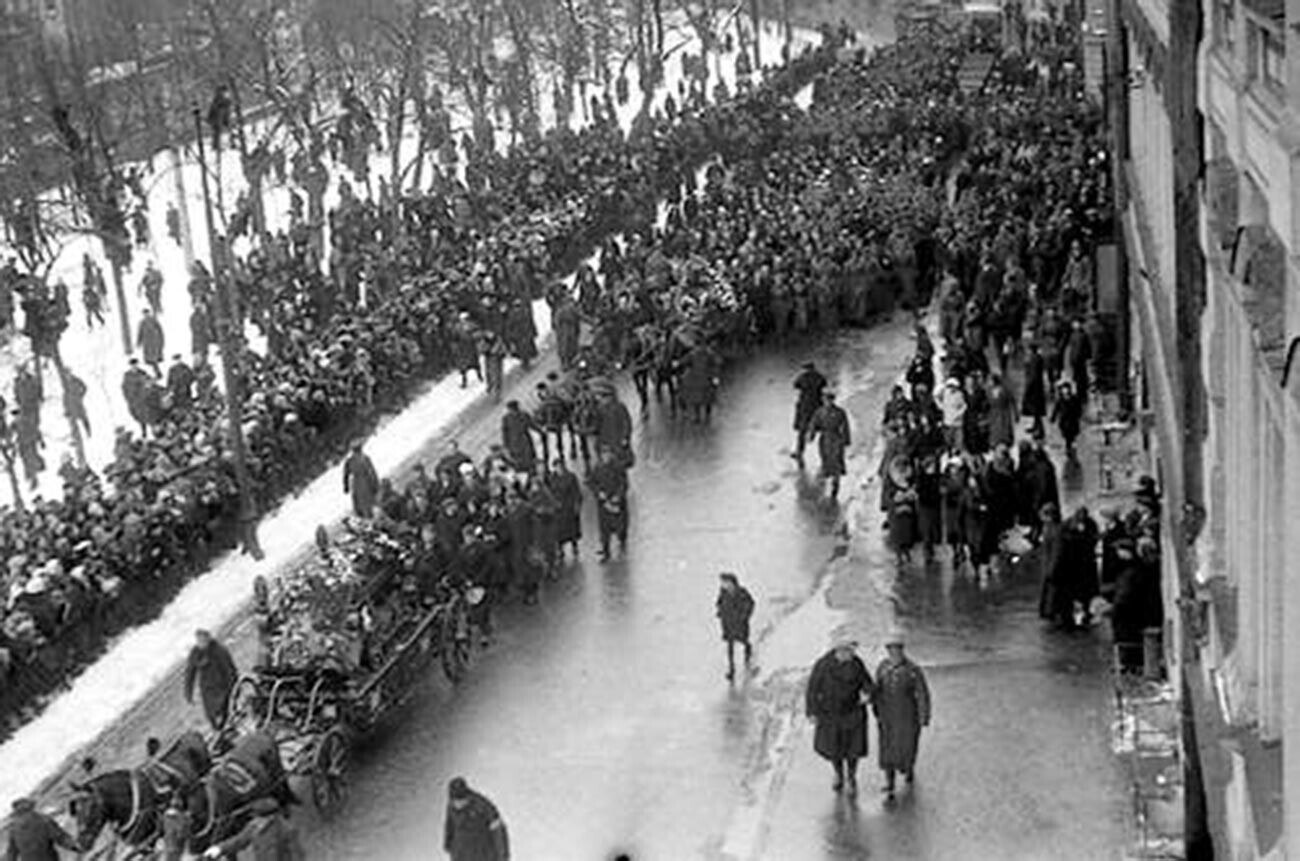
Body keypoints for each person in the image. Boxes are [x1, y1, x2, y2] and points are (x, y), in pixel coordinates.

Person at [805, 635, 874, 796]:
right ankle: (838, 774)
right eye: (848, 650)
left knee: (853, 750)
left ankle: (851, 777)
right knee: (834, 749)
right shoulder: (823, 665)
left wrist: (867, 693)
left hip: (853, 713)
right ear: (839, 650)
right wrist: (812, 711)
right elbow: (812, 689)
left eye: (852, 651)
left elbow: (868, 682)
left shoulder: (857, 664)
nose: (851, 654)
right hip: (831, 715)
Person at [872, 631, 931, 796]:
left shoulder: (913, 670)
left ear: (902, 650)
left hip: (907, 717)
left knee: (907, 746)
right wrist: (874, 706)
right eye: (891, 649)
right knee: (887, 749)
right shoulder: (882, 668)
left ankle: (908, 768)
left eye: (897, 649)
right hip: (888, 717)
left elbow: (922, 693)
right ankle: (889, 783)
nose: (894, 653)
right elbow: (877, 689)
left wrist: (923, 716)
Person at [201, 797, 305, 860]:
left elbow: (297, 855)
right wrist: (219, 848)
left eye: (257, 816)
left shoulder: (287, 829)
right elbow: (238, 841)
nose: (255, 819)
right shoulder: (254, 827)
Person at [443, 777, 509, 861]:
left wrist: (502, 856)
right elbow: (450, 824)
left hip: (482, 854)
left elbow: (498, 832)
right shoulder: (451, 806)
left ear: (467, 796)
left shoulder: (484, 807)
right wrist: (448, 842)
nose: (458, 804)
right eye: (455, 801)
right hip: (460, 854)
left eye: (461, 800)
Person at [184, 628, 238, 731]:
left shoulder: (219, 650)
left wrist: (233, 687)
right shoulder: (195, 653)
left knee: (224, 711)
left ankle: (227, 727)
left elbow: (229, 669)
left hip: (222, 686)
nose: (201, 642)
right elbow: (190, 673)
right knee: (211, 714)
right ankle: (217, 730)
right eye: (199, 639)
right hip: (207, 689)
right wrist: (188, 693)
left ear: (208, 637)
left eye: (203, 639)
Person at [809, 390, 851, 501]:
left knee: (836, 461)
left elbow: (845, 426)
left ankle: (835, 484)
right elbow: (814, 424)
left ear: (833, 400)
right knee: (825, 459)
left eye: (829, 400)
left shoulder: (840, 412)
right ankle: (827, 475)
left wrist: (846, 440)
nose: (827, 402)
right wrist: (811, 435)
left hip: (836, 439)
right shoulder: (819, 412)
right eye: (825, 400)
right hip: (824, 439)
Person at [6, 797, 77, 860]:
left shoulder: (14, 829)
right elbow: (61, 838)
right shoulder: (43, 820)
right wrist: (76, 846)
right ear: (31, 807)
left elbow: (12, 853)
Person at [715, 572, 755, 681]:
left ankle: (748, 649)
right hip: (728, 624)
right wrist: (719, 611)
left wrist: (744, 616)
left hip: (740, 624)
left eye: (725, 582)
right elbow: (719, 603)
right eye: (723, 583)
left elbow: (750, 603)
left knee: (743, 640)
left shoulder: (742, 592)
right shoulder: (723, 593)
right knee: (730, 647)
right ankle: (732, 670)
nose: (723, 585)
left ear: (732, 583)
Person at [791, 362, 828, 463]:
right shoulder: (819, 377)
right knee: (822, 429)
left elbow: (795, 385)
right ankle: (825, 453)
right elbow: (824, 384)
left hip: (805, 406)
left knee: (802, 431)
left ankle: (799, 451)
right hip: (817, 405)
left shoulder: (802, 377)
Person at [343, 443, 380, 518]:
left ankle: (365, 515)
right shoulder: (365, 458)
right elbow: (372, 472)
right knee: (368, 501)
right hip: (365, 482)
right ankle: (369, 516)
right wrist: (376, 484)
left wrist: (346, 486)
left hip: (357, 483)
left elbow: (346, 475)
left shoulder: (350, 461)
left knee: (361, 502)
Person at [137, 307, 166, 377]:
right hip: (147, 344)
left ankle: (158, 372)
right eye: (144, 314)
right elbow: (140, 333)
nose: (146, 315)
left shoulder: (154, 321)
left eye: (147, 313)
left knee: (154, 359)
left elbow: (160, 331)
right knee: (151, 360)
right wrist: (139, 342)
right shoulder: (142, 323)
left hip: (154, 343)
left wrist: (161, 341)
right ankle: (157, 372)